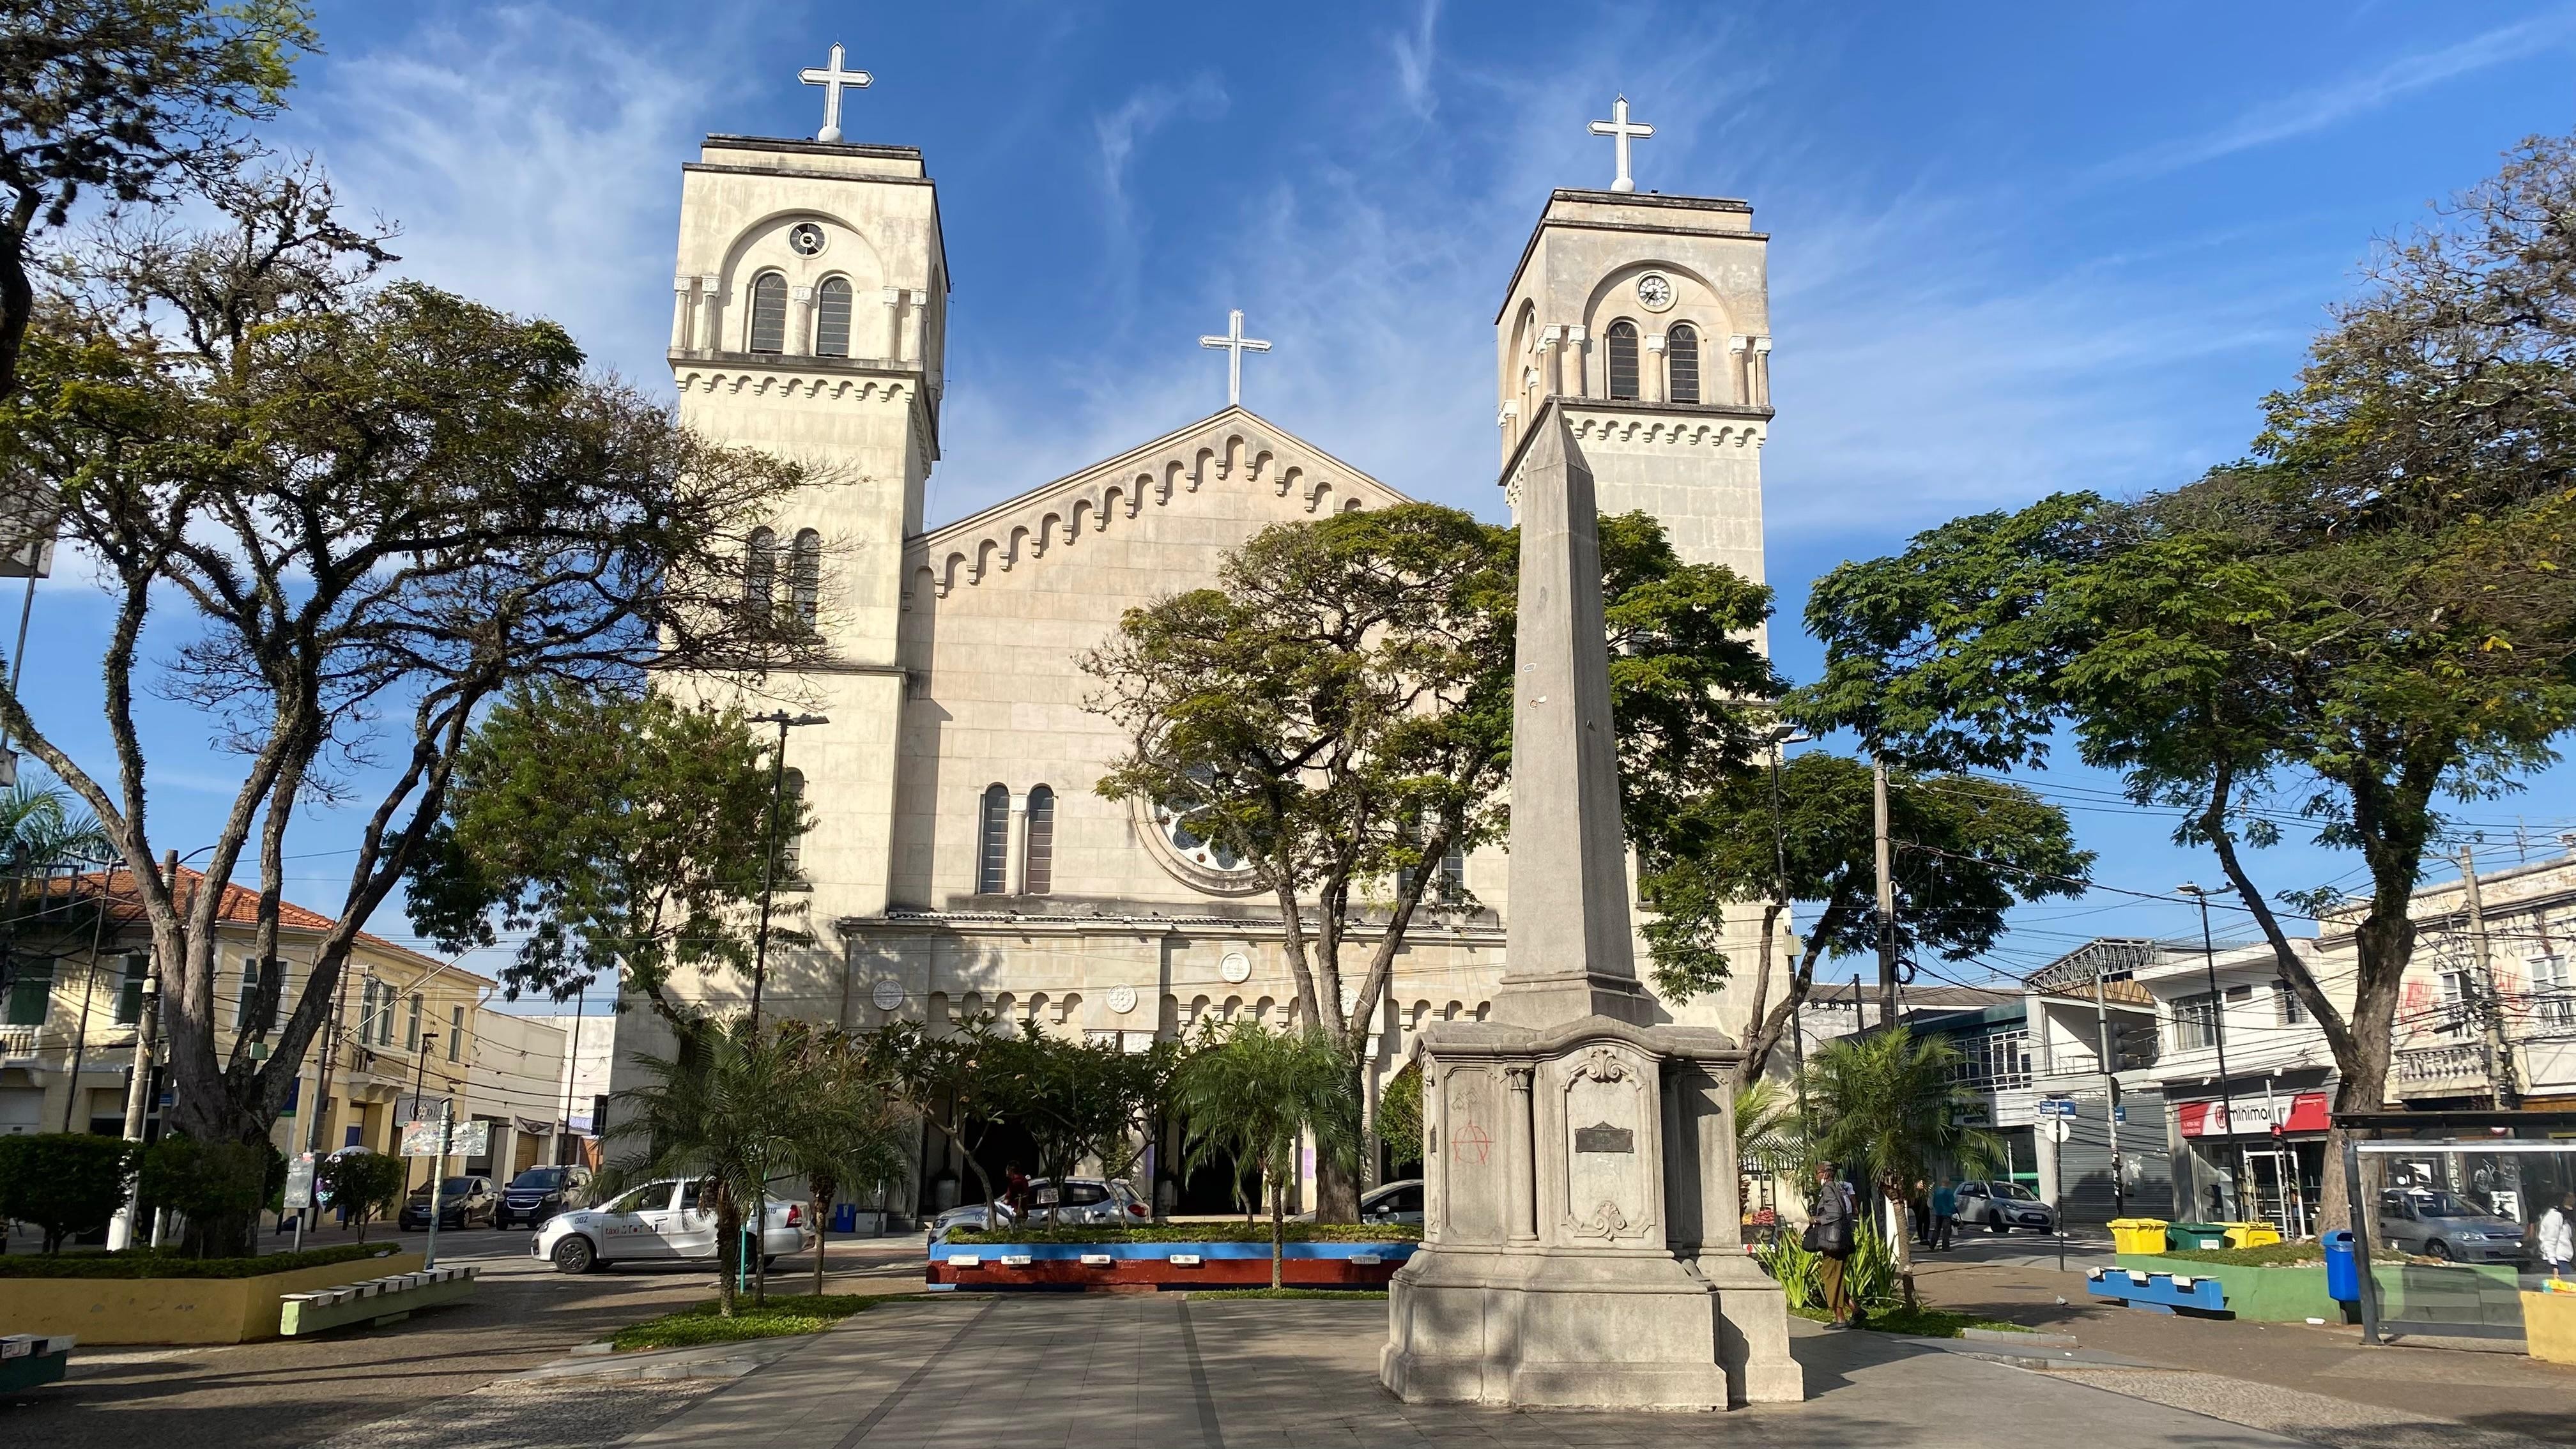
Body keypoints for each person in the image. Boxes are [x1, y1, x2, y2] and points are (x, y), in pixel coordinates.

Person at [1806, 1162, 1860, 1330]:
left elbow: (1835, 1212)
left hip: (1833, 1243)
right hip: (1839, 1242)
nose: (1816, 1177)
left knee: (1830, 1278)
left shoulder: (1829, 1189)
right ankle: (1855, 1309)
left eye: (1818, 1173)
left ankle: (1840, 1318)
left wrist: (1817, 1219)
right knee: (1834, 1278)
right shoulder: (1837, 1188)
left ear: (1826, 1174)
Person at [2541, 1192, 2574, 1278]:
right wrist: (2554, 1265)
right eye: (2569, 1198)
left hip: (2563, 1261)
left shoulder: (2564, 1217)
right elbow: (2549, 1240)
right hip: (2558, 1261)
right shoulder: (2555, 1216)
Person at [1931, 1179, 1958, 1251]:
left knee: (1937, 1229)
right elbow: (1951, 1204)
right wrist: (1954, 1211)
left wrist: (1936, 1209)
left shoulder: (1937, 1191)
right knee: (1946, 1230)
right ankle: (1945, 1246)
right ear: (1948, 1184)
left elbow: (1934, 1202)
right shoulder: (1949, 1192)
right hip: (1947, 1213)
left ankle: (1932, 1244)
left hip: (1939, 1213)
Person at [1910, 1179, 1933, 1246]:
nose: (1922, 1185)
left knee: (1926, 1222)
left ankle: (1925, 1238)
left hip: (1924, 1207)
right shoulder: (1915, 1192)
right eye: (1921, 1183)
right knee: (1919, 1222)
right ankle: (1922, 1238)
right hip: (1918, 1206)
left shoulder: (1924, 1191)